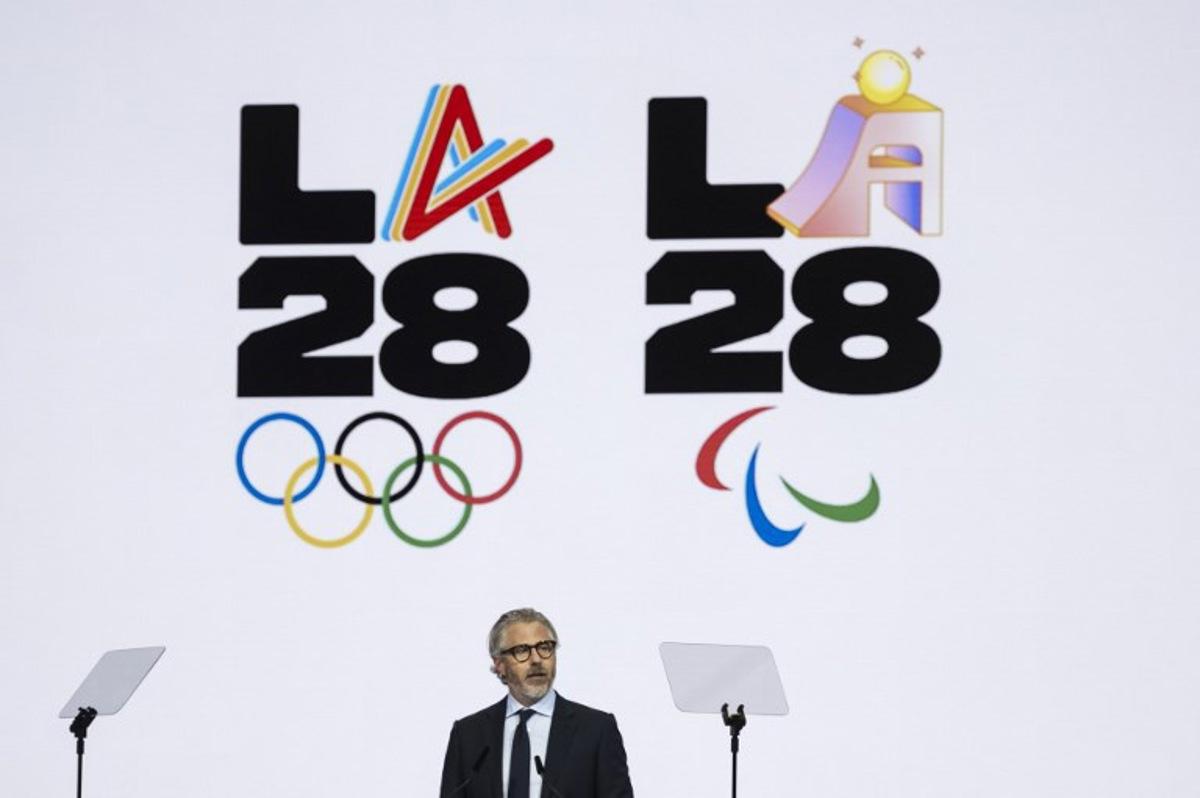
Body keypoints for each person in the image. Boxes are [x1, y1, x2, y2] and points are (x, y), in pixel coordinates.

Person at [440, 608, 634, 798]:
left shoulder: (596, 730)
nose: (536, 659)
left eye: (545, 648)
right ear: (499, 665)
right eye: (522, 650)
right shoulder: (468, 735)